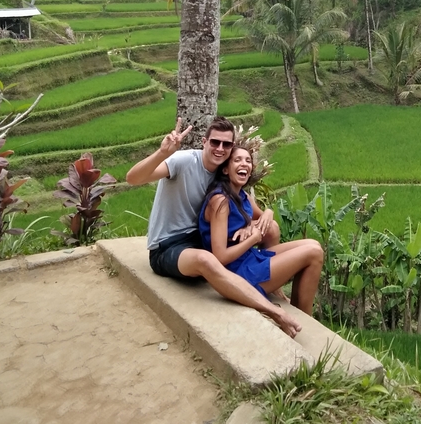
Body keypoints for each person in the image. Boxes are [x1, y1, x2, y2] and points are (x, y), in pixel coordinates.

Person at [126, 116, 301, 337]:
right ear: (204, 141)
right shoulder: (184, 161)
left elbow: (250, 205)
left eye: (226, 144)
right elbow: (132, 178)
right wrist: (163, 152)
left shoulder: (221, 172)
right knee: (205, 259)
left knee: (272, 228)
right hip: (168, 246)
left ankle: (269, 287)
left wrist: (263, 216)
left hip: (199, 238)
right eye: (215, 142)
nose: (220, 148)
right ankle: (273, 311)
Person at [199, 139, 324, 316]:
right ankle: (305, 317)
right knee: (314, 253)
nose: (244, 164)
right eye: (237, 160)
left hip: (249, 260)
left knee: (312, 243)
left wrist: (267, 214)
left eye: (248, 160)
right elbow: (219, 258)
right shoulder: (220, 201)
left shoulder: (241, 195)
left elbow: (263, 214)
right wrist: (253, 239)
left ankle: (298, 310)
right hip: (236, 275)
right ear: (225, 169)